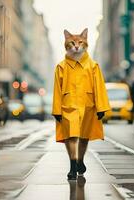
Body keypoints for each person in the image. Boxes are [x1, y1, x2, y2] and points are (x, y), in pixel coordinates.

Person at [52, 28, 110, 180]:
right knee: (70, 136)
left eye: (80, 42)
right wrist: (56, 110)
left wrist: (101, 107)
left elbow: (99, 86)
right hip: (68, 106)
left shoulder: (93, 65)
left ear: (85, 43)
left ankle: (80, 160)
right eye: (72, 43)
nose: (76, 46)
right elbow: (57, 89)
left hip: (88, 106)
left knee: (84, 137)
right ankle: (72, 167)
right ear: (66, 43)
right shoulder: (61, 67)